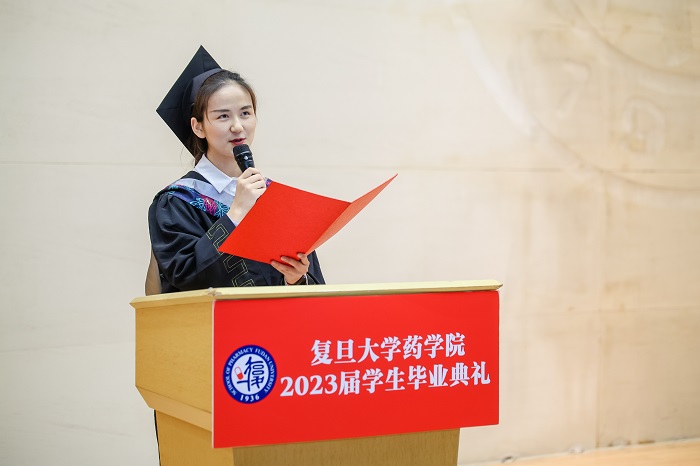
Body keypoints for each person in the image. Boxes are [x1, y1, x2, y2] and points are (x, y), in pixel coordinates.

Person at [147, 46, 324, 294]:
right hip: (211, 319)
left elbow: (315, 291)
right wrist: (236, 213)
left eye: (245, 113)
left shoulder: (275, 200)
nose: (238, 126)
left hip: (272, 320)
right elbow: (184, 277)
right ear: (198, 127)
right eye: (223, 116)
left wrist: (296, 279)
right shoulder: (177, 202)